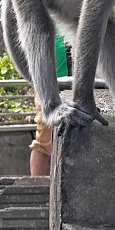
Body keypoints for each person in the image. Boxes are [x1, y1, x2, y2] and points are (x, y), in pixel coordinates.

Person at [29, 33, 69, 177]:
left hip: (72, 86)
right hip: (47, 87)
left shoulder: (71, 27)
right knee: (44, 140)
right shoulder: (40, 28)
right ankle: (36, 183)